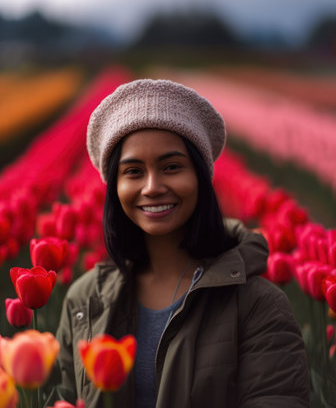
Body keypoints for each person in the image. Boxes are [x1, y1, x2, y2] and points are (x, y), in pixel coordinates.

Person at [56, 79, 310, 407]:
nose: (152, 187)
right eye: (133, 171)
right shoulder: (84, 301)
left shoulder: (256, 305)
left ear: (200, 178)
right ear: (114, 187)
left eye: (171, 167)